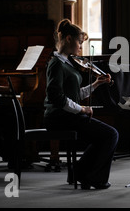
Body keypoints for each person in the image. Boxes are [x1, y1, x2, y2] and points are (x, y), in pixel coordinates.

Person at [43, 19, 119, 190]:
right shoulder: (56, 63)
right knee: (111, 135)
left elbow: (75, 94)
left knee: (105, 136)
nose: (80, 47)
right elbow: (56, 97)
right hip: (58, 117)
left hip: (67, 115)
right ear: (69, 39)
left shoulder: (66, 62)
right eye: (79, 42)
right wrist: (82, 109)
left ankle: (80, 173)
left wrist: (96, 84)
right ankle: (92, 177)